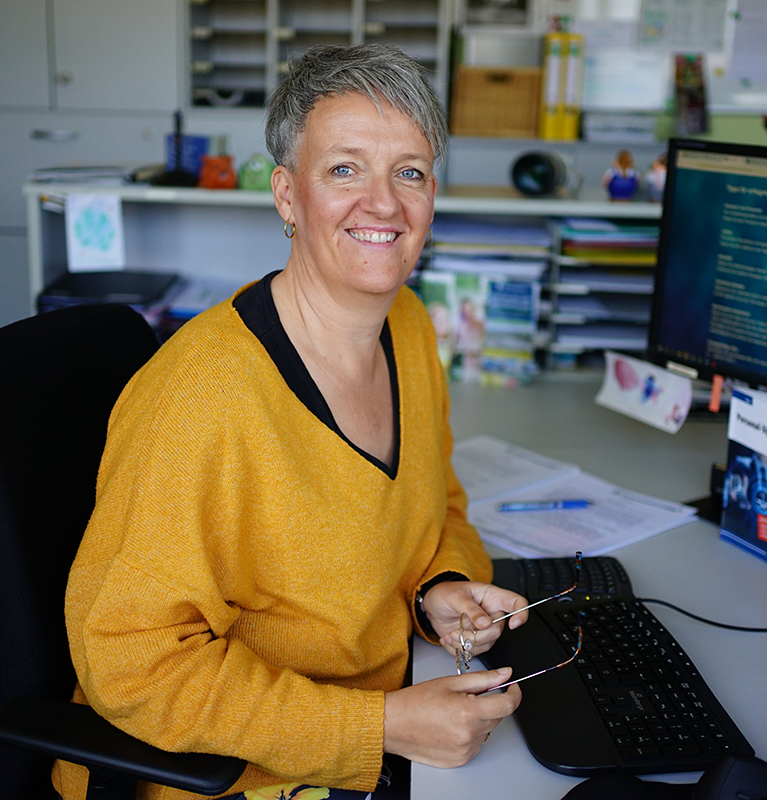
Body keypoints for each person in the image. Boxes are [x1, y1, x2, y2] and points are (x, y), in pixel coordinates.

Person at [54, 43, 530, 800]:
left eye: (409, 171)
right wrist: (377, 728)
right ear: (285, 195)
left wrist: (437, 587)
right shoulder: (201, 394)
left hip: (385, 718)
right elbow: (129, 661)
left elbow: (436, 503)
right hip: (230, 777)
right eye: (344, 169)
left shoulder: (408, 327)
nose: (383, 203)